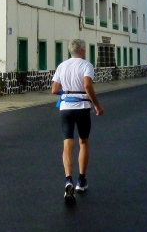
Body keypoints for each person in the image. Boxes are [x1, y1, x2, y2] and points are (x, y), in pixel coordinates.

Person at [52, 39, 104, 204]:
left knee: (67, 144)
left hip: (65, 108)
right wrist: (97, 105)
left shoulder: (62, 66)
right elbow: (87, 86)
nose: (85, 51)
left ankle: (68, 180)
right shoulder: (86, 65)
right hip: (82, 107)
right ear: (81, 50)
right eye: (85, 49)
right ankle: (81, 180)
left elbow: (54, 89)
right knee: (83, 142)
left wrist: (67, 92)